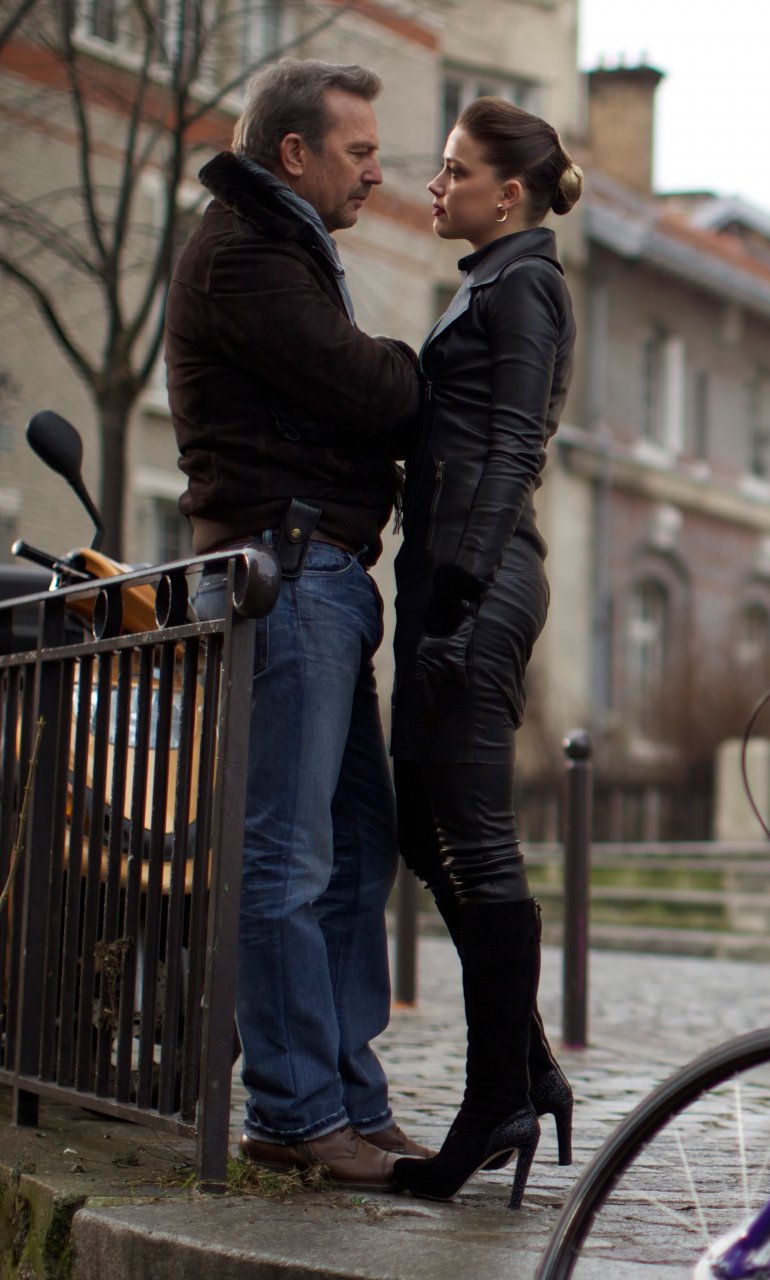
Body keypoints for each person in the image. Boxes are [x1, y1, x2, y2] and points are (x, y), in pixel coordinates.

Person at [168, 60, 431, 1189]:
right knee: (287, 855)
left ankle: (347, 1097)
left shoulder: (282, 249)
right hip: (284, 578)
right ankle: (291, 1110)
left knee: (355, 853)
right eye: (359, 151)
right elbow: (363, 388)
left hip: (321, 577)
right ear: (295, 154)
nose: (379, 170)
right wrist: (419, 372)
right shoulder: (246, 252)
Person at [387, 97, 581, 1209]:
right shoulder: (487, 280)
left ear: (505, 193)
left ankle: (489, 1102)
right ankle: (530, 1066)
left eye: (453, 170)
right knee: (419, 822)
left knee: (476, 836)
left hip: (481, 577)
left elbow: (514, 444)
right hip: (444, 576)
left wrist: (460, 599)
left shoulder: (529, 285)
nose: (434, 184)